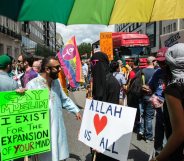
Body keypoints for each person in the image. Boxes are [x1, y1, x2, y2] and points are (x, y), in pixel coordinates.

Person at [26, 56, 81, 161]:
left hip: (57, 125)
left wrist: (75, 110)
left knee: (58, 153)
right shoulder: (32, 85)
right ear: (47, 69)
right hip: (42, 131)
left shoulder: (57, 82)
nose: (59, 69)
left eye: (59, 67)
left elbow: (64, 99)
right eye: (56, 67)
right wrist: (20, 95)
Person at [150, 43, 184, 161]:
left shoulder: (174, 89)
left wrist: (158, 159)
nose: (162, 65)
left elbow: (179, 133)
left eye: (165, 63)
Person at [90, 52, 120, 161]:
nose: (92, 66)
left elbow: (111, 114)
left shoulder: (113, 83)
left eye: (95, 63)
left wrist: (102, 140)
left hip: (106, 135)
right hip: (96, 128)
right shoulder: (97, 82)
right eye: (91, 63)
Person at [138, 56, 156, 142]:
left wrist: (146, 88)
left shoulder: (143, 71)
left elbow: (141, 84)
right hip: (151, 97)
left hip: (143, 96)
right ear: (153, 62)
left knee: (142, 115)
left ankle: (141, 132)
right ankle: (148, 136)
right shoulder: (156, 72)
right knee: (149, 117)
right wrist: (151, 90)